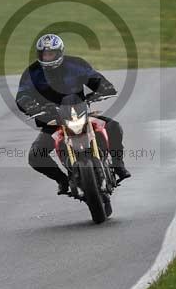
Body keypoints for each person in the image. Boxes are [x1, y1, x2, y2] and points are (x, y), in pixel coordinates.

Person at [16, 34, 131, 195]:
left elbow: (94, 77)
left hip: (81, 114)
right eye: (44, 54)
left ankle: (118, 164)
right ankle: (63, 180)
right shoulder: (32, 73)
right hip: (53, 122)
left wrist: (104, 87)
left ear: (60, 52)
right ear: (39, 54)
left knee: (114, 127)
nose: (48, 57)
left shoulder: (76, 64)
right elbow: (23, 94)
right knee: (35, 156)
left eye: (51, 53)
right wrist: (29, 105)